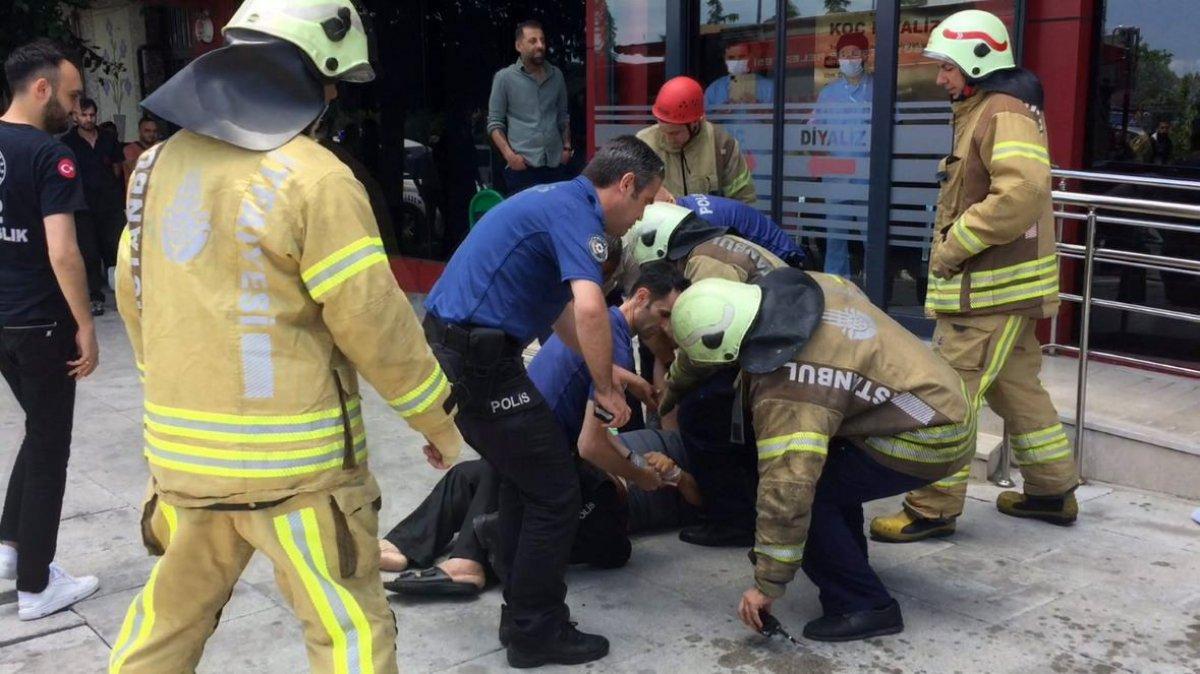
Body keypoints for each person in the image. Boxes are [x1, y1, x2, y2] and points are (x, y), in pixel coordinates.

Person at [106, 2, 466, 672]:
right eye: (332, 85)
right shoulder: (316, 178)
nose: (332, 101)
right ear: (310, 78)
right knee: (347, 631)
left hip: (185, 466)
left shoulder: (154, 167)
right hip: (298, 477)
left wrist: (168, 386)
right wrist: (436, 420)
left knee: (165, 625)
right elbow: (372, 318)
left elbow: (135, 292)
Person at [422, 134, 662, 668]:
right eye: (645, 202)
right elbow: (591, 309)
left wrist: (609, 372)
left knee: (525, 482)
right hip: (479, 361)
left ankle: (522, 619)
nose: (641, 217)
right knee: (556, 490)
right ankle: (536, 629)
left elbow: (561, 316)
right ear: (626, 184)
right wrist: (606, 392)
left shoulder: (556, 201)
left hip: (474, 355)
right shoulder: (580, 217)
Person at [669, 270, 976, 642]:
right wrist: (670, 392)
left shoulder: (792, 386)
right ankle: (849, 563)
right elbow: (698, 358)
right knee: (832, 479)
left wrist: (767, 583)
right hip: (942, 398)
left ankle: (864, 604)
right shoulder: (805, 288)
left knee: (808, 495)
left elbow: (788, 490)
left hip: (928, 433)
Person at [871, 9, 1079, 544]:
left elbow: (1022, 191)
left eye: (947, 67)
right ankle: (1052, 491)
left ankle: (931, 507)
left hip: (986, 296)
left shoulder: (1000, 111)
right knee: (1017, 390)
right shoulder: (989, 107)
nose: (940, 77)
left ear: (978, 62)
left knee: (947, 397)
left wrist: (955, 244)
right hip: (1000, 293)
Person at [382, 264, 699, 596]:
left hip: (525, 436)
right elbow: (591, 444)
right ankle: (444, 553)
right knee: (502, 479)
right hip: (540, 448)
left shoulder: (598, 330)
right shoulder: (613, 344)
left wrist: (641, 459)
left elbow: (596, 428)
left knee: (484, 474)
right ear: (642, 297)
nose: (666, 328)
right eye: (664, 315)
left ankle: (439, 552)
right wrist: (638, 471)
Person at [0, 39, 101, 622]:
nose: (77, 105)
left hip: (5, 322)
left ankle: (11, 548)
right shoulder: (49, 154)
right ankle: (37, 586)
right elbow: (63, 252)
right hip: (41, 321)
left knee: (38, 430)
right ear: (42, 89)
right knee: (50, 447)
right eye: (71, 94)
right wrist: (86, 324)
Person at [630, 202, 787, 548]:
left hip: (773, 354)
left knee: (702, 413)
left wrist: (673, 393)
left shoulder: (706, 265)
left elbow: (708, 342)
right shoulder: (712, 248)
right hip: (773, 345)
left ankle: (732, 519)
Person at [637, 76, 755, 204]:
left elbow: (743, 199)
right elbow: (630, 200)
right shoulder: (643, 144)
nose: (668, 138)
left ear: (695, 123)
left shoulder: (721, 144)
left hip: (708, 217)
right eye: (663, 130)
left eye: (675, 133)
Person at [487, 19, 572, 196]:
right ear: (519, 46)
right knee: (527, 215)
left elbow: (563, 116)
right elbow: (494, 124)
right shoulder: (504, 78)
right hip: (523, 168)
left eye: (542, 40)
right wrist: (510, 157)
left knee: (553, 213)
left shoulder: (556, 76)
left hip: (555, 165)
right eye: (533, 41)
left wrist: (566, 148)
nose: (540, 45)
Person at [813, 31, 873, 279]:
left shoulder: (879, 89)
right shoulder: (828, 93)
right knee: (836, 238)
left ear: (865, 55)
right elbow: (816, 133)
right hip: (837, 177)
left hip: (868, 177)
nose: (849, 58)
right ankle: (836, 286)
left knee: (872, 237)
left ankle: (875, 286)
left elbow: (896, 130)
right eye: (844, 54)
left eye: (854, 53)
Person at [60, 97, 124, 315]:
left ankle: (124, 295)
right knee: (89, 252)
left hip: (110, 204)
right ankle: (95, 297)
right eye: (84, 115)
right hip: (83, 206)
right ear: (75, 117)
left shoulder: (108, 138)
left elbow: (117, 167)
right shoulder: (67, 143)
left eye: (92, 115)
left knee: (117, 249)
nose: (88, 119)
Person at [704, 40, 774, 107]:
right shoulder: (714, 89)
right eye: (731, 58)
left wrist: (758, 107)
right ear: (725, 59)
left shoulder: (769, 88)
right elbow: (705, 114)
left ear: (750, 57)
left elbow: (775, 113)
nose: (736, 61)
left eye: (742, 56)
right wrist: (721, 111)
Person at [122, 116, 158, 187]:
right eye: (147, 131)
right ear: (139, 131)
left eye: (154, 131)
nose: (152, 134)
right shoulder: (130, 149)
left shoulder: (159, 147)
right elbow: (136, 169)